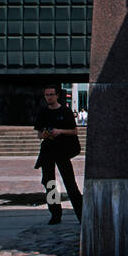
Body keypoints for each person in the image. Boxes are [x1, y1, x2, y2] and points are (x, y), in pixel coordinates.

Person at [33, 83, 83, 224]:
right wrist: (46, 134)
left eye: (51, 95)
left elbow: (74, 131)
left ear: (57, 96)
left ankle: (81, 214)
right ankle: (55, 214)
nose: (49, 97)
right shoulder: (43, 112)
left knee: (70, 184)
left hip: (62, 151)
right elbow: (39, 135)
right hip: (47, 152)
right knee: (50, 185)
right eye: (46, 95)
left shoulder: (65, 112)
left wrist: (59, 131)